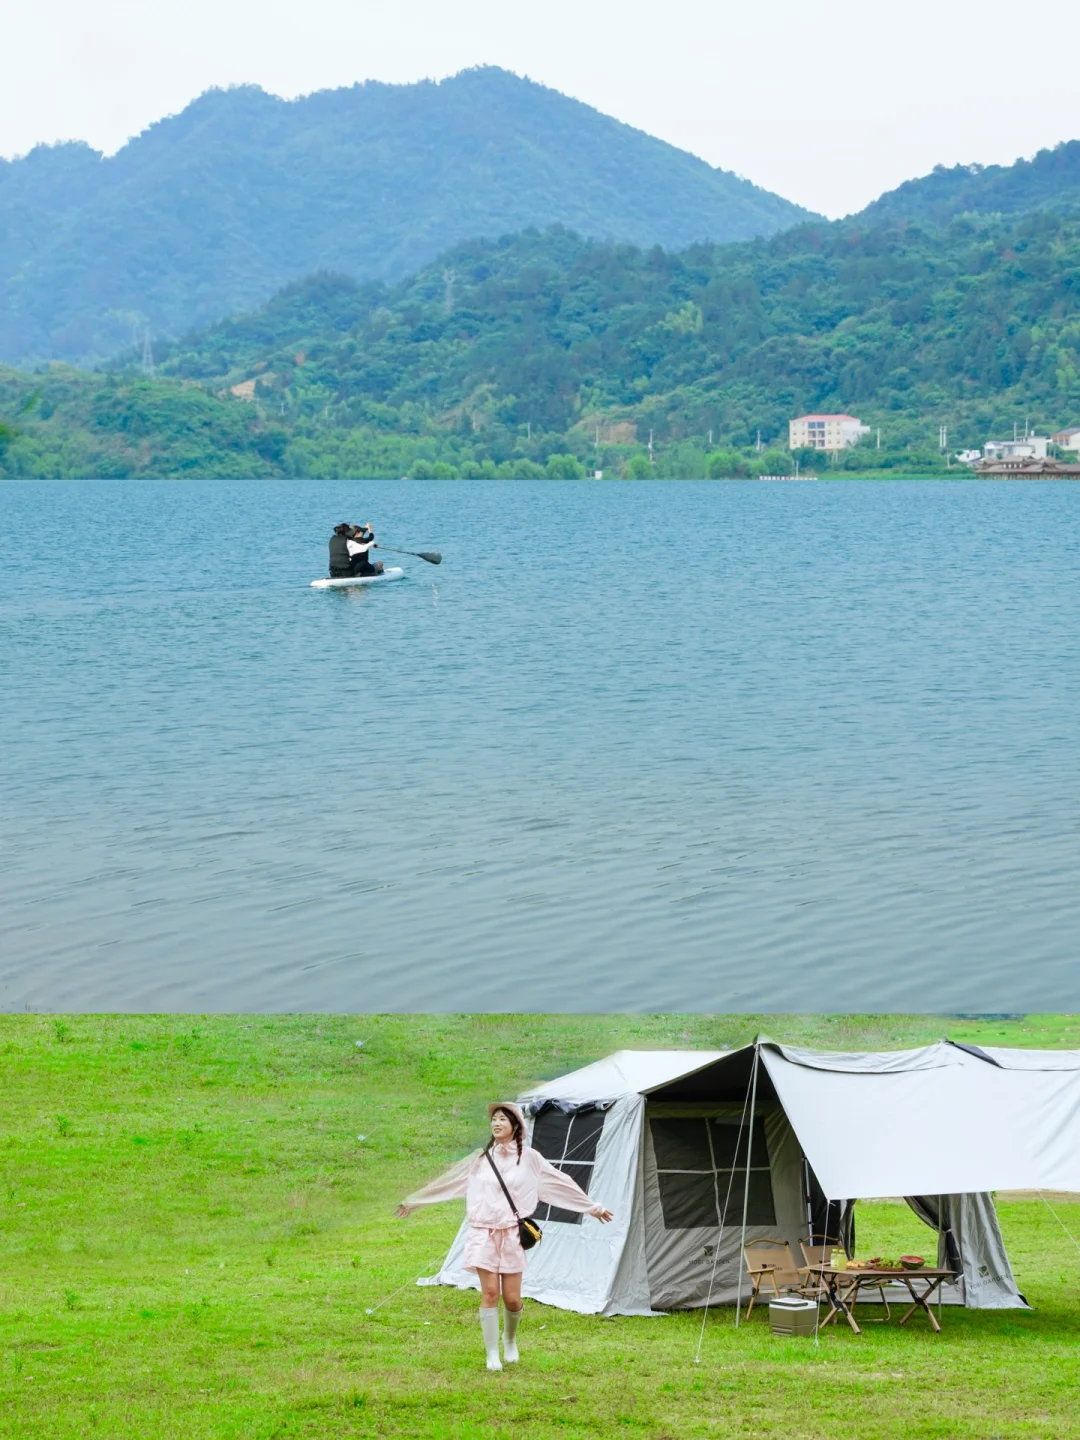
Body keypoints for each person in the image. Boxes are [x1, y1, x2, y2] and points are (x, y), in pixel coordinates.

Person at [395, 1101, 614, 1370]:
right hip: (482, 1233)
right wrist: (414, 1201)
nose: (496, 1124)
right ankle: (491, 1355)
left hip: (512, 1234)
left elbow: (559, 1183)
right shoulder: (480, 1158)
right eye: (494, 1120)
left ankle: (509, 1340)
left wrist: (592, 1207)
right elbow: (450, 1183)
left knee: (512, 1298)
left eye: (502, 1120)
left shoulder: (530, 1159)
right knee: (489, 1293)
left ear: (515, 1126)